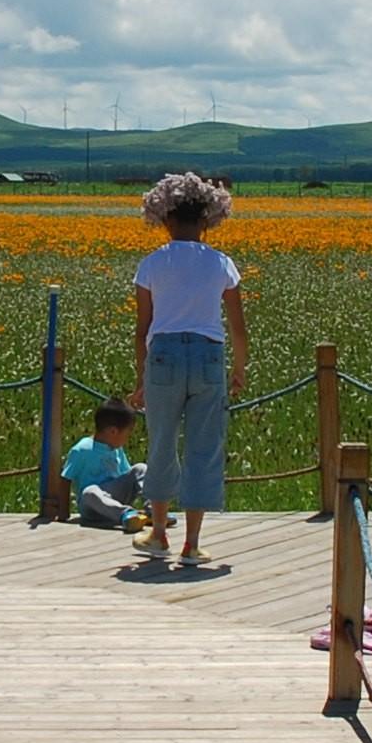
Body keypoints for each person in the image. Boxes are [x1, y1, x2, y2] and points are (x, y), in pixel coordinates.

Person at [130, 171, 246, 567]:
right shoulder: (222, 264)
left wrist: (140, 378)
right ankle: (192, 543)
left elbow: (142, 329)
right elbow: (237, 324)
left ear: (165, 219)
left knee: (161, 442)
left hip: (162, 355)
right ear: (207, 221)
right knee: (204, 446)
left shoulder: (151, 264)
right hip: (209, 356)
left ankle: (159, 534)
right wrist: (239, 367)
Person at [61, 398, 146, 532]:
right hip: (93, 506)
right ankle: (125, 514)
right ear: (113, 431)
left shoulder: (117, 448)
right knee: (90, 491)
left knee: (141, 468)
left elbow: (126, 473)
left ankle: (152, 509)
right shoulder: (82, 450)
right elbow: (66, 479)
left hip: (115, 497)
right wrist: (62, 511)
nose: (128, 438)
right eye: (127, 433)